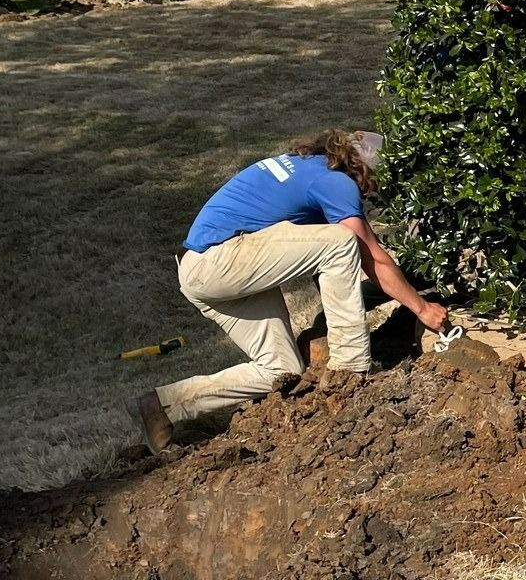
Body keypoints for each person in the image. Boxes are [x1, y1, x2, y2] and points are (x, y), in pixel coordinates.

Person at [134, 129, 448, 453]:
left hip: (202, 269)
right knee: (342, 243)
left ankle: (164, 405)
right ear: (363, 168)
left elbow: (325, 270)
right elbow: (370, 256)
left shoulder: (306, 168)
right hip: (219, 261)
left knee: (281, 369)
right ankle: (350, 374)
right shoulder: (336, 181)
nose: (374, 190)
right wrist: (422, 308)